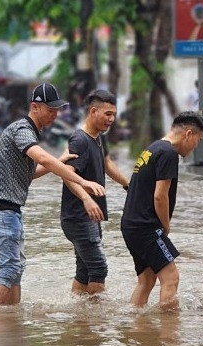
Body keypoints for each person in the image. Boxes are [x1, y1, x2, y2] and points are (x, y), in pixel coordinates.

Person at [0, 83, 106, 305]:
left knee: (16, 269)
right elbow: (42, 158)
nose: (54, 115)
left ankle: (10, 322)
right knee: (8, 269)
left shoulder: (29, 133)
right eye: (50, 110)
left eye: (56, 110)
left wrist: (58, 161)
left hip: (9, 211)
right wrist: (82, 181)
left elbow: (29, 174)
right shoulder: (22, 130)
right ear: (35, 107)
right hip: (1, 211)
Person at [120, 111, 203, 310]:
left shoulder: (153, 149)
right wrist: (165, 226)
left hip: (131, 225)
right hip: (146, 227)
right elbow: (160, 195)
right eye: (198, 140)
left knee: (147, 280)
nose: (196, 146)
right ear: (188, 134)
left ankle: (137, 327)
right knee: (171, 278)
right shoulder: (168, 153)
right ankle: (169, 334)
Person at [60, 89, 130, 296]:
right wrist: (86, 199)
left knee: (84, 271)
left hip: (89, 216)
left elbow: (107, 163)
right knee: (99, 268)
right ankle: (97, 323)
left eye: (114, 115)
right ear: (93, 112)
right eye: (107, 114)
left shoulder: (99, 137)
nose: (112, 119)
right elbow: (66, 173)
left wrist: (128, 185)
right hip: (79, 216)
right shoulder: (80, 140)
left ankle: (81, 319)